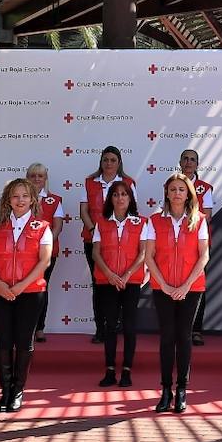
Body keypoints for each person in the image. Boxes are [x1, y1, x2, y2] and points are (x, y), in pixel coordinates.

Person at [0, 177, 53, 413]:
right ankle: (4, 392)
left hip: (30, 293)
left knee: (24, 342)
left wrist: (21, 286)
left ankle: (17, 391)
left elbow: (44, 261)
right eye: (15, 196)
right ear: (8, 200)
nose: (20, 200)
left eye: (25, 195)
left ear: (32, 199)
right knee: (4, 342)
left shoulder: (42, 227)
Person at [145, 172, 210, 412]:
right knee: (166, 338)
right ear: (167, 193)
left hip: (190, 288)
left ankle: (182, 389)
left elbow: (204, 255)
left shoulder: (199, 220)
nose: (177, 193)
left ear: (189, 193)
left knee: (183, 337)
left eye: (181, 189)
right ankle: (165, 390)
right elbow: (149, 256)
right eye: (173, 189)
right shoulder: (154, 220)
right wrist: (164, 284)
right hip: (162, 288)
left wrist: (184, 286)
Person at [91, 181, 146, 388]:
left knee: (130, 326)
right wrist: (111, 275)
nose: (120, 198)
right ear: (110, 199)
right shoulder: (101, 222)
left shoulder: (141, 223)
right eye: (116, 195)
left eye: (124, 194)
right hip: (108, 282)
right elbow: (96, 252)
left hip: (131, 282)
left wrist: (127, 274)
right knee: (110, 326)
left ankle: (127, 371)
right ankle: (110, 370)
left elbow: (143, 253)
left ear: (130, 198)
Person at [82, 147, 135, 344]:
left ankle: (116, 326)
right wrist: (98, 234)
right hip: (94, 242)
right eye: (106, 160)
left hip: (122, 243)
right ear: (101, 162)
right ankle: (100, 329)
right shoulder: (89, 182)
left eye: (113, 160)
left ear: (119, 162)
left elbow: (133, 212)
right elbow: (84, 211)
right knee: (99, 285)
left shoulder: (128, 183)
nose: (109, 164)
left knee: (122, 284)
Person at [178, 148, 214, 345]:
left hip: (197, 244)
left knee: (197, 286)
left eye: (193, 160)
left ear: (197, 164)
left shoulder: (204, 188)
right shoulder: (171, 184)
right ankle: (179, 328)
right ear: (180, 162)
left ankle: (196, 330)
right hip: (174, 244)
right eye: (186, 159)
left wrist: (185, 226)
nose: (189, 162)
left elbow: (207, 215)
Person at [28, 163, 64, 343]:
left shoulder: (54, 200)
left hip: (47, 254)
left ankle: (39, 328)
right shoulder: (19, 198)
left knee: (41, 289)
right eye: (33, 175)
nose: (36, 179)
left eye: (40, 176)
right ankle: (25, 327)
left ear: (45, 179)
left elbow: (57, 227)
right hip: (23, 255)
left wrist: (45, 246)